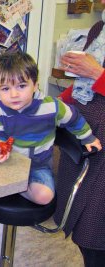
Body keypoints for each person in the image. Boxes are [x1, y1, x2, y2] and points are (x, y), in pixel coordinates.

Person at [0, 51, 102, 205]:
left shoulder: (51, 106)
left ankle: (15, 187)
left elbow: (74, 118)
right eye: (5, 89)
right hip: (9, 164)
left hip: (38, 166)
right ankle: (12, 185)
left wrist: (87, 137)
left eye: (21, 86)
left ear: (35, 85)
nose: (13, 94)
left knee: (45, 196)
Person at [54, 2, 105, 265]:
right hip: (87, 140)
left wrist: (98, 73)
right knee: (81, 229)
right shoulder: (99, 29)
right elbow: (83, 88)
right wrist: (48, 106)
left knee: (96, 239)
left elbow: (96, 78)